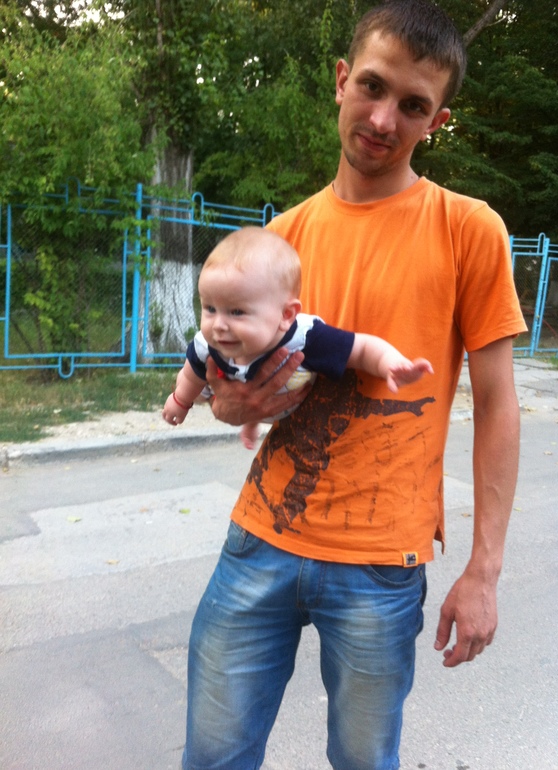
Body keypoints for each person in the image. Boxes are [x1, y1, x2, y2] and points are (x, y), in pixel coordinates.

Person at [182, 2, 528, 769]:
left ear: (435, 121)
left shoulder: (467, 229)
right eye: (371, 86)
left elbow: (498, 405)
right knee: (212, 758)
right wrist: (229, 401)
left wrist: (483, 570)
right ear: (341, 80)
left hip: (380, 563)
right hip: (259, 540)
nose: (381, 118)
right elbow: (230, 390)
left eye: (412, 105)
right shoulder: (281, 241)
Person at [162, 226, 433, 449]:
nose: (219, 325)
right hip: (239, 389)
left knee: (259, 379)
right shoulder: (207, 344)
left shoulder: (307, 339)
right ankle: (252, 423)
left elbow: (361, 349)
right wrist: (180, 401)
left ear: (286, 314)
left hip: (295, 409)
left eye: (237, 312)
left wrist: (390, 363)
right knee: (203, 376)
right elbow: (192, 374)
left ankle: (252, 423)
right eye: (210, 308)